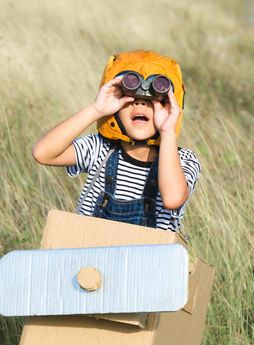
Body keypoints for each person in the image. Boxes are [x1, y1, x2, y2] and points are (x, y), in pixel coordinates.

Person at [32, 50, 200, 233]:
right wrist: (97, 109)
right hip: (92, 257)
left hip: (150, 260)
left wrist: (167, 131)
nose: (140, 104)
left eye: (152, 101)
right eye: (130, 98)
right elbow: (43, 153)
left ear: (171, 107)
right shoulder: (99, 149)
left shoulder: (183, 160)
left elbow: (172, 198)